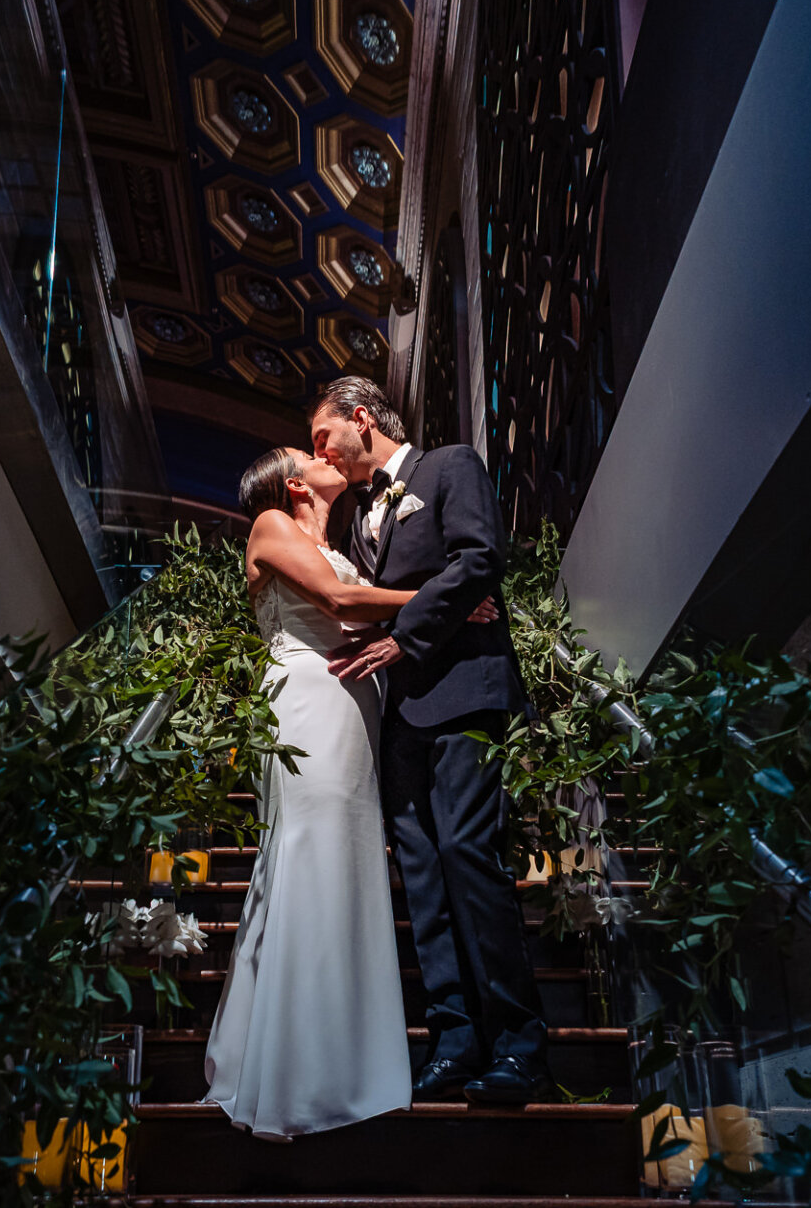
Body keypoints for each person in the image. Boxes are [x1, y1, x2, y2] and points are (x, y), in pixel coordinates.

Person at [202, 446, 500, 1139]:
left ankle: (345, 1053)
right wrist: (446, 599)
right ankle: (302, 1068)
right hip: (309, 700)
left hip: (353, 704)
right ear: (293, 482)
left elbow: (359, 617)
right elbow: (338, 600)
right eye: (306, 451)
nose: (322, 451)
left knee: (347, 862)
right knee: (312, 856)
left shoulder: (336, 541)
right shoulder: (271, 524)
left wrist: (426, 613)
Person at [310, 377, 553, 1105]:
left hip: (462, 694)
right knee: (420, 874)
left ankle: (519, 1043)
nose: (322, 452)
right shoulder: (356, 518)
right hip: (397, 717)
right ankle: (454, 1039)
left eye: (325, 435)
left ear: (362, 418)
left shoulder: (449, 466)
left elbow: (478, 558)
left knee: (466, 855)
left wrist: (405, 641)